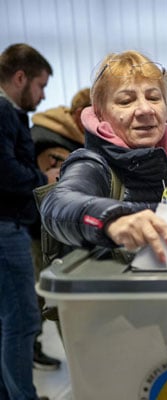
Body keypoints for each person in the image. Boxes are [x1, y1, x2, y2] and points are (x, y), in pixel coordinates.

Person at [40, 50, 167, 264]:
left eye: (154, 98)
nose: (145, 109)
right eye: (126, 101)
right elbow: (58, 204)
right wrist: (112, 220)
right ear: (100, 113)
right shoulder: (92, 163)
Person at [0, 42, 53, 400]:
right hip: (7, 228)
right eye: (41, 85)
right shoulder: (3, 112)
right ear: (21, 77)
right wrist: (44, 180)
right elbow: (4, 172)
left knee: (9, 323)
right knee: (22, 323)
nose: (43, 95)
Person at [29, 87, 91, 371]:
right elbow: (55, 194)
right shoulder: (52, 144)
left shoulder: (60, 136)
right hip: (42, 234)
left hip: (52, 231)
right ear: (81, 115)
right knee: (47, 298)